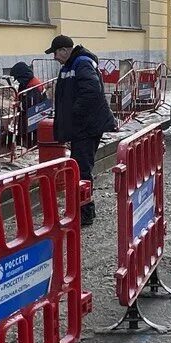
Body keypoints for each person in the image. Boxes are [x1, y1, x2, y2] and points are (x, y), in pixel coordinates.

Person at [47, 35, 116, 227]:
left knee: (82, 170)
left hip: (86, 127)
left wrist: (74, 114)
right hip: (83, 127)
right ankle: (81, 209)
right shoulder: (70, 66)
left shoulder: (81, 64)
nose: (55, 58)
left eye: (56, 53)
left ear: (65, 50)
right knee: (79, 168)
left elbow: (91, 91)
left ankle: (85, 212)